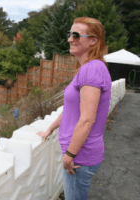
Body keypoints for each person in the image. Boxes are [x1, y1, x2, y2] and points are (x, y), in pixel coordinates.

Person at [36, 17, 112, 200]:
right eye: (70, 34)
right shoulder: (88, 68)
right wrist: (50, 128)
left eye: (76, 35)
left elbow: (87, 120)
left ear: (93, 40)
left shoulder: (91, 70)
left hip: (80, 157)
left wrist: (69, 156)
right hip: (81, 154)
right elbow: (71, 109)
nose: (70, 39)